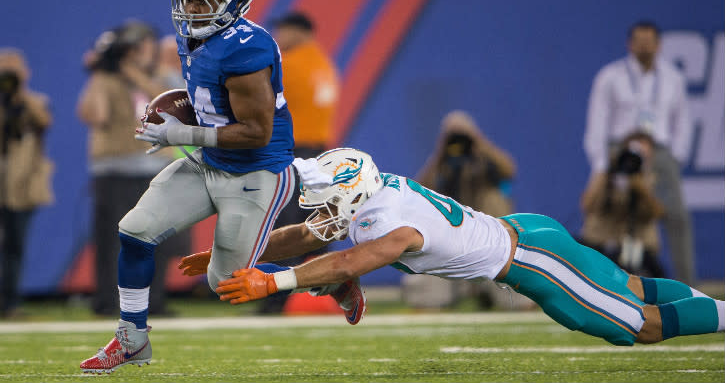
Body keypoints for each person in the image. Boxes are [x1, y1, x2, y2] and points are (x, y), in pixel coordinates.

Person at [79, 0, 360, 374]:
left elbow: (255, 132)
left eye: (203, 1)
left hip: (256, 169)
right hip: (210, 160)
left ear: (234, 1)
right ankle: (132, 339)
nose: (191, 10)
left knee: (225, 282)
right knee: (135, 231)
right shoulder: (190, 36)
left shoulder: (249, 50)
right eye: (187, 0)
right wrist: (178, 116)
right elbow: (210, 103)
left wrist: (181, 134)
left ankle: (331, 279)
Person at [200, 147, 724, 348]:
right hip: (526, 233)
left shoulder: (392, 221)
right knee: (632, 288)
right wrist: (239, 250)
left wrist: (275, 280)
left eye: (329, 198)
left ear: (354, 193)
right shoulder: (369, 196)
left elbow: (349, 259)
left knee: (638, 325)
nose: (321, 208)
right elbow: (307, 235)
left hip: (532, 261)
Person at [77, 21, 185, 318]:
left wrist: (133, 73)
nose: (139, 52)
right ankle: (108, 301)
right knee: (112, 241)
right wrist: (100, 72)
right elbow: (95, 116)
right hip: (114, 170)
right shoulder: (107, 80)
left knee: (157, 239)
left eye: (143, 45)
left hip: (156, 169)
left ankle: (156, 301)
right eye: (132, 48)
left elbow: (172, 107)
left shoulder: (164, 76)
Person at [583, 20, 695, 285]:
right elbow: (597, 122)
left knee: (676, 216)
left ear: (658, 45)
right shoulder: (611, 76)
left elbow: (683, 121)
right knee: (603, 211)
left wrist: (674, 158)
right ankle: (595, 280)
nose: (644, 46)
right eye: (639, 41)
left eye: (649, 41)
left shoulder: (672, 78)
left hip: (659, 151)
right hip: (619, 149)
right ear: (630, 44)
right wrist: (601, 165)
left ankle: (687, 284)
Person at [254, 11, 340, 314]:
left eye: (283, 30)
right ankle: (321, 292)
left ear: (299, 32)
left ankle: (276, 297)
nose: (279, 37)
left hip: (293, 152)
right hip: (319, 155)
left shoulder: (288, 65)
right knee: (318, 226)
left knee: (285, 227)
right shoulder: (322, 64)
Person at [414, 110, 521, 309]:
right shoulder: (442, 162)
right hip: (455, 233)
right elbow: (419, 188)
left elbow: (509, 170)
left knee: (494, 198)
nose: (458, 139)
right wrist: (440, 153)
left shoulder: (484, 156)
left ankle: (491, 290)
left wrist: (478, 141)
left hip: (489, 232)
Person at [0, 48, 54, 318]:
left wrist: (19, 93)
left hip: (21, 185)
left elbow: (44, 121)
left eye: (14, 69)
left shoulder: (36, 100)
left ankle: (10, 303)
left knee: (15, 245)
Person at [580, 131, 666, 278]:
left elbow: (658, 212)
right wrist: (606, 178)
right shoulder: (607, 173)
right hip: (601, 242)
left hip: (638, 246)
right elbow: (587, 205)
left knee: (655, 276)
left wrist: (640, 189)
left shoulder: (652, 178)